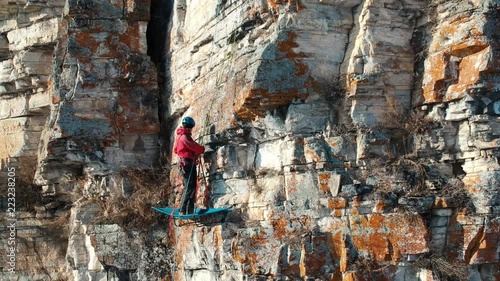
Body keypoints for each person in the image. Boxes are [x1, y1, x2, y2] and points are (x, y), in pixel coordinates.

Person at [173, 116, 205, 215]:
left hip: (184, 163)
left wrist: (188, 152)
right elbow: (195, 147)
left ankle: (189, 210)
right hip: (187, 163)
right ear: (190, 127)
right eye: (191, 128)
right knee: (190, 187)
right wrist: (201, 149)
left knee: (191, 186)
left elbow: (175, 149)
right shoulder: (184, 137)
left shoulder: (179, 136)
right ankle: (183, 210)